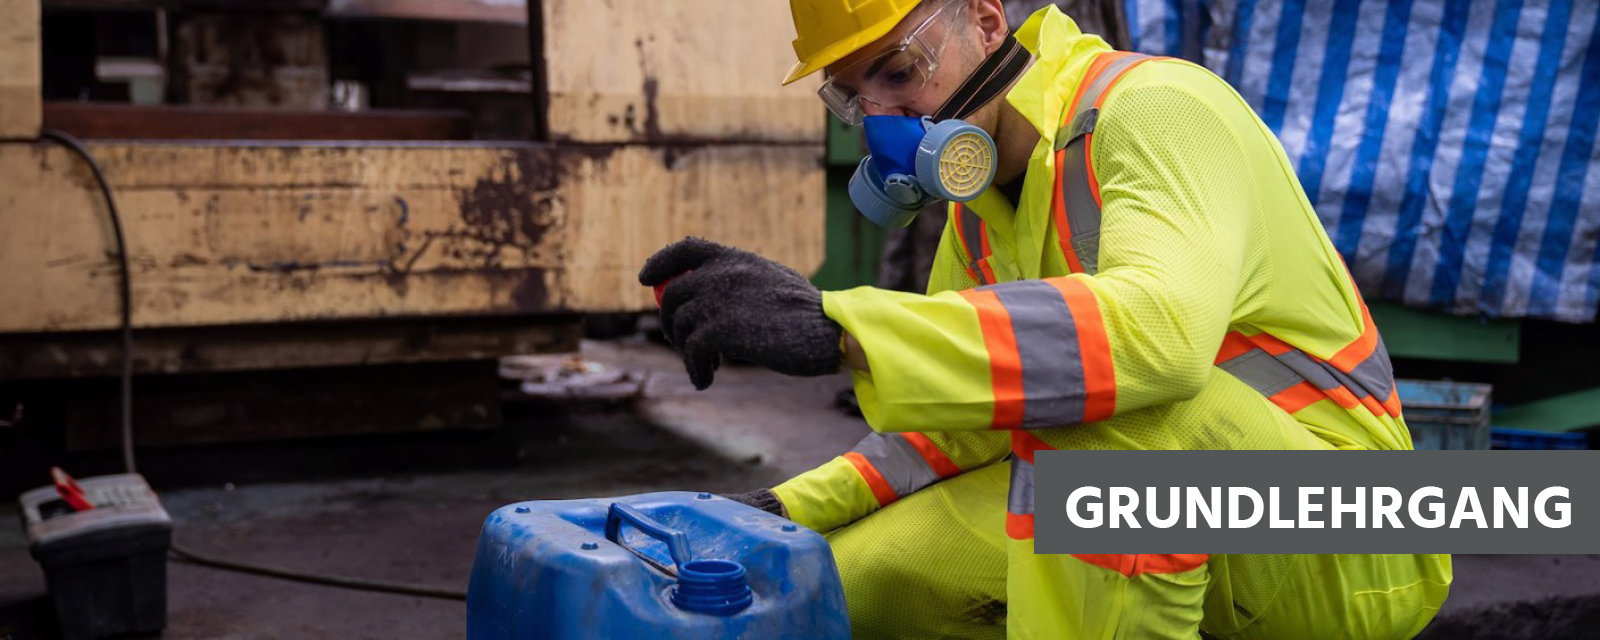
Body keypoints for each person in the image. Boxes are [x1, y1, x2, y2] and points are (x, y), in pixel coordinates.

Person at [638, 1, 1452, 637]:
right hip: (1196, 495)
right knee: (846, 585)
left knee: (1110, 404)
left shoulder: (1160, 110)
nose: (884, 120)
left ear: (986, 19)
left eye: (899, 71)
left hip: (1354, 531)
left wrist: (845, 331)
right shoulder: (979, 214)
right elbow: (957, 424)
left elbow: (1158, 340)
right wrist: (787, 510)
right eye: (854, 98)